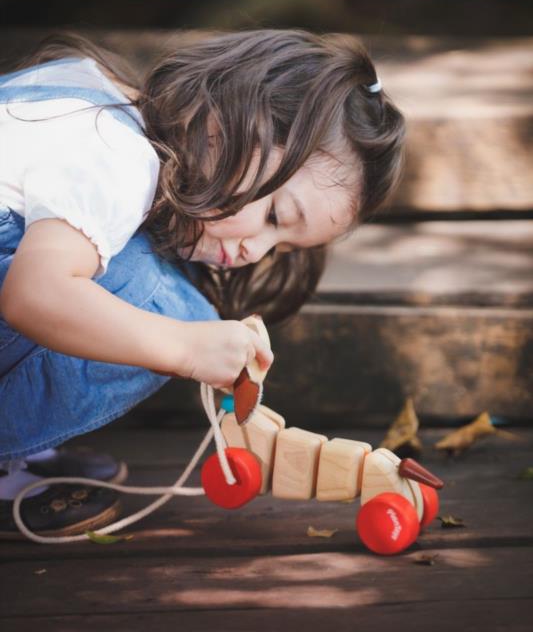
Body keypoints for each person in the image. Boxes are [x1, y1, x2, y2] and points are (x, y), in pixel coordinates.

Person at [0, 29, 405, 537]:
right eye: (276, 215)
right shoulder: (115, 156)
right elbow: (34, 293)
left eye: (278, 247)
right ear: (223, 122)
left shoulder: (92, 94)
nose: (254, 252)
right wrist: (185, 346)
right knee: (168, 304)